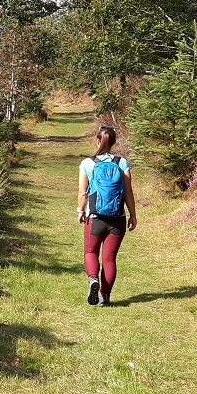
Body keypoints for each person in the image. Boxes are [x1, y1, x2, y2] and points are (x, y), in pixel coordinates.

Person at [77, 125, 137, 306]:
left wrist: (81, 211)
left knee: (90, 251)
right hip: (117, 218)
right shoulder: (122, 163)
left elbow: (82, 193)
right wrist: (133, 215)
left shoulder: (88, 163)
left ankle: (93, 279)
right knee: (109, 258)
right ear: (114, 142)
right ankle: (105, 296)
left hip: (95, 218)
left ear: (97, 140)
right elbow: (128, 192)